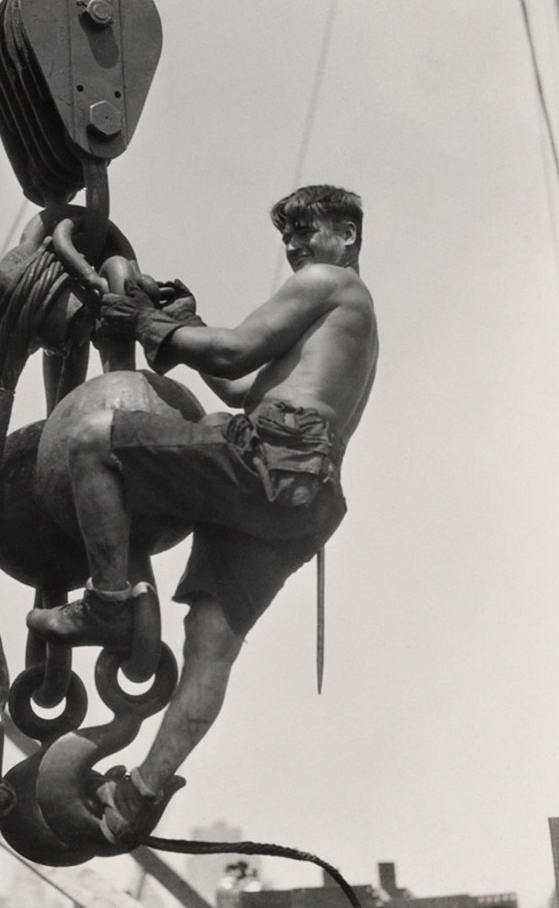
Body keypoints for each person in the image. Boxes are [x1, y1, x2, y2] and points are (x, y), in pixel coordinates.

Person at [27, 184, 379, 846]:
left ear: (348, 235)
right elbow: (241, 386)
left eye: (307, 231)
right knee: (208, 649)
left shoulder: (329, 282)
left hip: (275, 457)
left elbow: (231, 352)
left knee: (92, 440)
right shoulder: (348, 317)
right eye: (287, 236)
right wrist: (181, 322)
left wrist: (151, 322)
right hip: (302, 500)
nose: (294, 247)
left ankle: (108, 602)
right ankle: (136, 796)